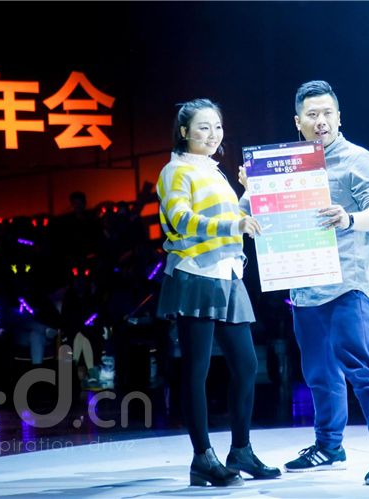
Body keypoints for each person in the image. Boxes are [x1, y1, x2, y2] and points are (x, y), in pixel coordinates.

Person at [240, 80, 369, 485]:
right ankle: (329, 446)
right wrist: (251, 188)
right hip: (304, 285)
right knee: (318, 373)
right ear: (298, 122)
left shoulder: (359, 159)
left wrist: (348, 218)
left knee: (361, 367)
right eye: (312, 115)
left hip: (348, 283)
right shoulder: (285, 165)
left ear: (339, 117)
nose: (321, 121)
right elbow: (246, 215)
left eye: (327, 113)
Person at [156, 98, 281, 487]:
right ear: (184, 132)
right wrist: (234, 226)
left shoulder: (214, 171)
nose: (213, 135)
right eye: (203, 127)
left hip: (227, 274)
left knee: (246, 365)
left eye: (218, 127)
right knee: (197, 369)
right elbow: (181, 219)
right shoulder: (175, 171)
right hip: (196, 273)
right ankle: (202, 458)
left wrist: (248, 194)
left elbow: (231, 219)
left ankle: (240, 449)